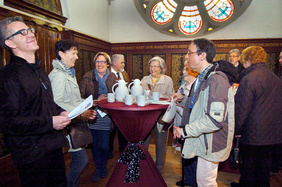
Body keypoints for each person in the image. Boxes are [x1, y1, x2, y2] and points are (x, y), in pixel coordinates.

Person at [0, 16, 71, 186]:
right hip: (32, 154)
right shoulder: (8, 76)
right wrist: (50, 122)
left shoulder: (39, 71)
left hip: (52, 146)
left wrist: (60, 111)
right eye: (22, 32)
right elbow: (8, 122)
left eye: (30, 30)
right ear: (10, 43)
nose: (31, 34)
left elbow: (46, 102)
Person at [173, 38, 237, 186]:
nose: (186, 56)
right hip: (203, 138)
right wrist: (183, 100)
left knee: (205, 182)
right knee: (201, 179)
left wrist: (185, 131)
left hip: (211, 141)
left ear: (202, 55)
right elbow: (200, 104)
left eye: (190, 52)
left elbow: (214, 121)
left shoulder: (216, 80)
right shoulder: (202, 77)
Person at [231, 46, 282, 187]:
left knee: (248, 168)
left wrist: (236, 131)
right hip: (272, 133)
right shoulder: (275, 78)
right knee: (264, 169)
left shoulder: (248, 79)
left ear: (247, 60)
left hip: (253, 133)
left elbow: (241, 109)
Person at [48, 40, 96, 187]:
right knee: (81, 161)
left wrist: (87, 103)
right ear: (61, 54)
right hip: (67, 126)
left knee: (79, 160)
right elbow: (57, 102)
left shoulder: (68, 73)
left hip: (72, 124)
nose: (76, 57)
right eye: (73, 53)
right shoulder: (59, 75)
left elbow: (71, 99)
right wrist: (82, 112)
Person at [79, 52, 112, 182]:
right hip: (92, 114)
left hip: (107, 115)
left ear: (107, 64)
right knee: (95, 145)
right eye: (97, 62)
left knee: (104, 145)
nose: (99, 64)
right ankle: (99, 168)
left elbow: (118, 96)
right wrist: (96, 100)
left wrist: (108, 98)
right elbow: (80, 97)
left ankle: (103, 165)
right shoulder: (87, 77)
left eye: (102, 62)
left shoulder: (113, 77)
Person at [141, 56, 175, 173]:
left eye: (156, 66)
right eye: (151, 66)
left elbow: (171, 97)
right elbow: (139, 96)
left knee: (160, 142)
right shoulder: (144, 79)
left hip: (161, 116)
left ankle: (159, 167)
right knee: (143, 141)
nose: (153, 69)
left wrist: (156, 95)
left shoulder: (167, 80)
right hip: (146, 115)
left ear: (161, 68)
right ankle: (143, 164)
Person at [174, 64, 199, 187]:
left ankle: (194, 181)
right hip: (182, 122)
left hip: (192, 124)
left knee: (192, 155)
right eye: (183, 69)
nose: (183, 71)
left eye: (186, 69)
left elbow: (193, 103)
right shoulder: (184, 84)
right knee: (185, 152)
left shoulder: (197, 84)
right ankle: (187, 179)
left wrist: (182, 99)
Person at [106, 54, 128, 159]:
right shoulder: (106, 74)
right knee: (111, 130)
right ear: (114, 63)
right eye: (122, 62)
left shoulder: (124, 74)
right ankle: (109, 150)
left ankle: (123, 148)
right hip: (111, 109)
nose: (124, 64)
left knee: (123, 128)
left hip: (124, 108)